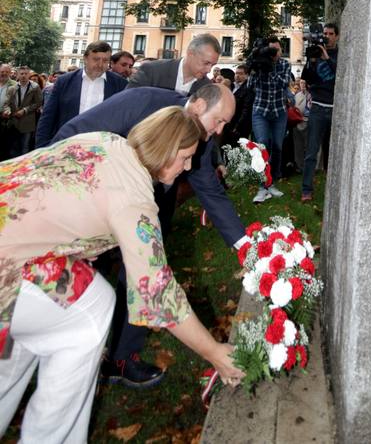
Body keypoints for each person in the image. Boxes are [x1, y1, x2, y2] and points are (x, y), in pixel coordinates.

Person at [0, 107, 243, 443]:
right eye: (186, 157)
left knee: (32, 335)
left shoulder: (108, 142)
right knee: (92, 310)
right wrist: (214, 352)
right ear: (168, 148)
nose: (188, 167)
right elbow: (157, 292)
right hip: (9, 264)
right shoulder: (134, 199)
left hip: (16, 243)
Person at [51, 83, 243, 387]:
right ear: (198, 107)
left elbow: (209, 190)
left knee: (133, 276)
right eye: (218, 121)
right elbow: (76, 133)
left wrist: (244, 245)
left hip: (139, 209)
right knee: (86, 290)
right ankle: (68, 357)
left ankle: (121, 358)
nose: (219, 131)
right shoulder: (142, 101)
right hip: (84, 201)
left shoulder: (199, 138)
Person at [36, 42, 127, 147]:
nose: (100, 64)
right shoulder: (64, 81)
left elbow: (124, 121)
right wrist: (41, 148)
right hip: (66, 145)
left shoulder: (120, 85)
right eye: (96, 59)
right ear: (85, 58)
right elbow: (48, 117)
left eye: (105, 60)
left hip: (103, 149)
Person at [248, 36, 292, 203]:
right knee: (262, 146)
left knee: (278, 147)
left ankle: (272, 182)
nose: (275, 53)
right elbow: (250, 86)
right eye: (271, 50)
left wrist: (271, 67)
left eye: (277, 50)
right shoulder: (259, 63)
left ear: (281, 51)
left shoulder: (285, 65)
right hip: (261, 111)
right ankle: (261, 187)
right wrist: (255, 68)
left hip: (279, 112)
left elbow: (283, 84)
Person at [300, 24, 339, 202]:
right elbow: (306, 78)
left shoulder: (340, 54)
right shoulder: (314, 53)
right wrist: (313, 60)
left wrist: (327, 58)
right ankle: (306, 189)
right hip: (317, 107)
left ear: (337, 36)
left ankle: (333, 188)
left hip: (335, 108)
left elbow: (342, 76)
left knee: (334, 152)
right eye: (325, 33)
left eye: (331, 34)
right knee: (312, 151)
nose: (327, 36)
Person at [128, 34, 220, 95]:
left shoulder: (207, 87)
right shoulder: (152, 70)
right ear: (190, 54)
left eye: (212, 65)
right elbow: (125, 103)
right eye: (206, 63)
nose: (209, 70)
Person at [6, 67, 43, 156]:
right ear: (18, 75)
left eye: (26, 74)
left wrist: (25, 110)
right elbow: (7, 103)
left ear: (29, 75)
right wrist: (8, 111)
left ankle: (23, 166)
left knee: (25, 145)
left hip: (28, 121)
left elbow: (38, 103)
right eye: (21, 74)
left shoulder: (35, 87)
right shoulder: (12, 88)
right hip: (14, 121)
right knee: (13, 145)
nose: (23, 76)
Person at [292, 78, 311, 171]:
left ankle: (309, 166)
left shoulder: (311, 95)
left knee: (308, 145)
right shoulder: (297, 95)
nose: (303, 85)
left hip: (309, 122)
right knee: (298, 146)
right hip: (298, 122)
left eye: (304, 82)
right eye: (301, 83)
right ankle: (300, 166)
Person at [0, 65, 17, 156]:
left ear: (10, 73)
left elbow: (16, 101)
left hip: (6, 117)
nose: (4, 73)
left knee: (3, 142)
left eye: (7, 72)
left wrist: (9, 111)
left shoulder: (14, 84)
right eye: (2, 71)